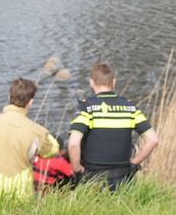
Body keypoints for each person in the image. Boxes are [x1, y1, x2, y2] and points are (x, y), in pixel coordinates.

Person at [67, 62, 159, 191]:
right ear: (113, 82)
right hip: (124, 180)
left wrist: (76, 169)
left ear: (91, 82)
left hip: (93, 180)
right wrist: (134, 161)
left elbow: (73, 144)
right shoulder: (130, 107)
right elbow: (153, 139)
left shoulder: (86, 108)